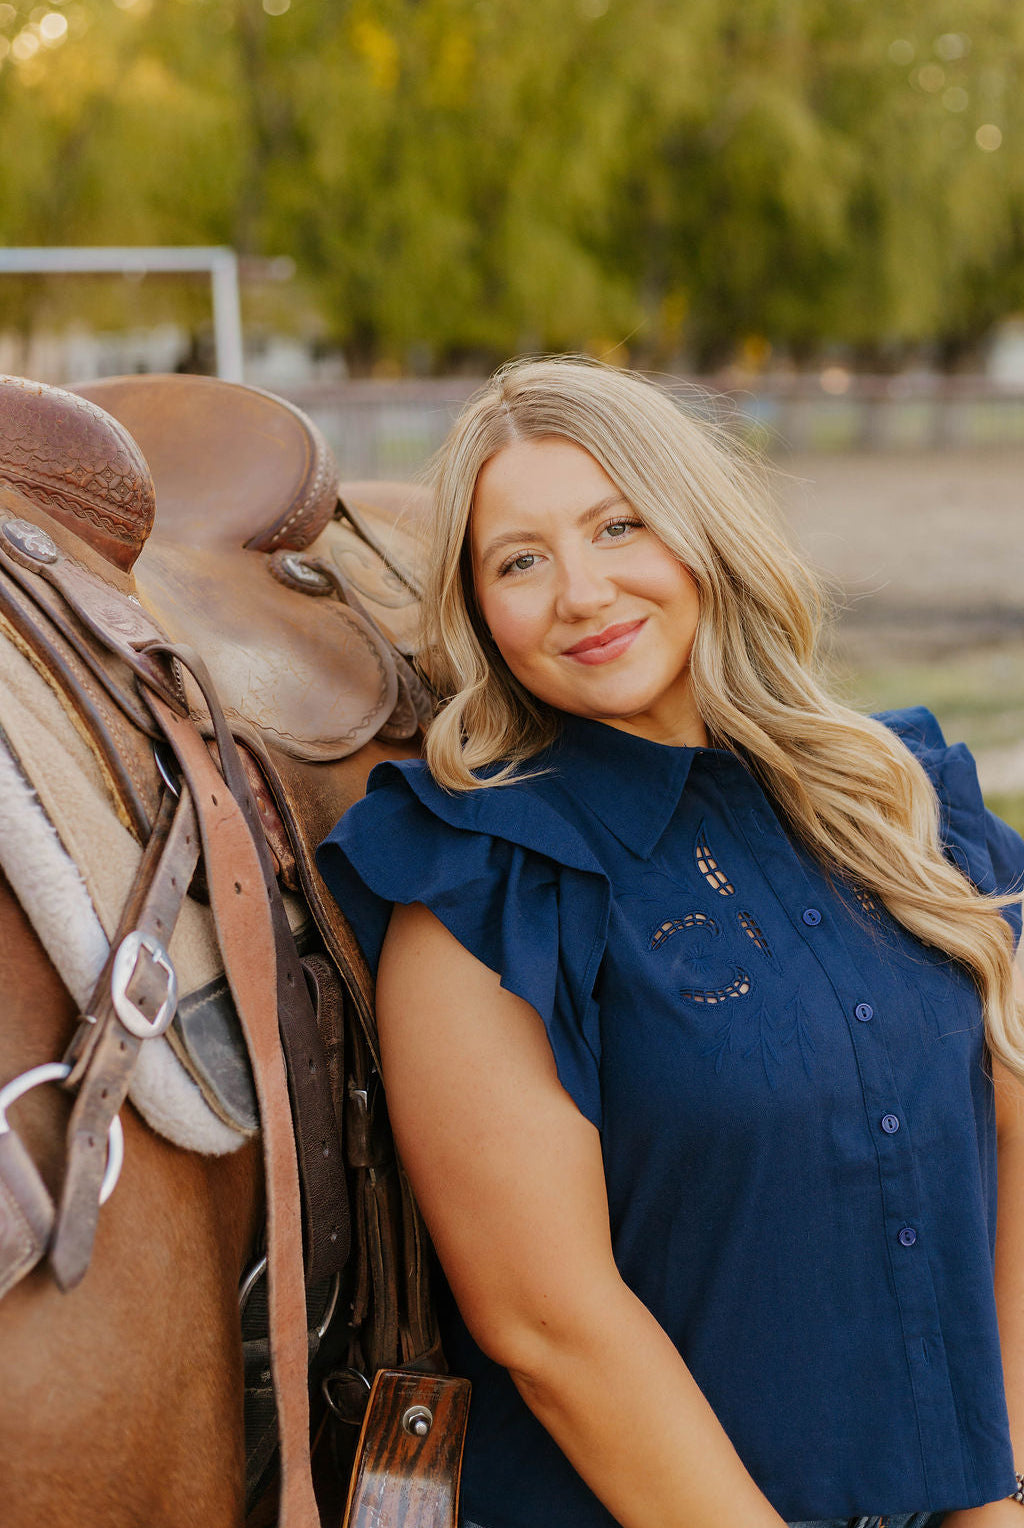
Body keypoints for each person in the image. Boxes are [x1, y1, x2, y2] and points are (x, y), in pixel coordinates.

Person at [316, 357, 1024, 1528]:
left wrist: (995, 1497)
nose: (581, 592)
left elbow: (1015, 1138)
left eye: (618, 526)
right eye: (519, 561)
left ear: (704, 532)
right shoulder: (483, 876)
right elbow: (549, 1326)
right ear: (480, 612)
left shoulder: (906, 796)